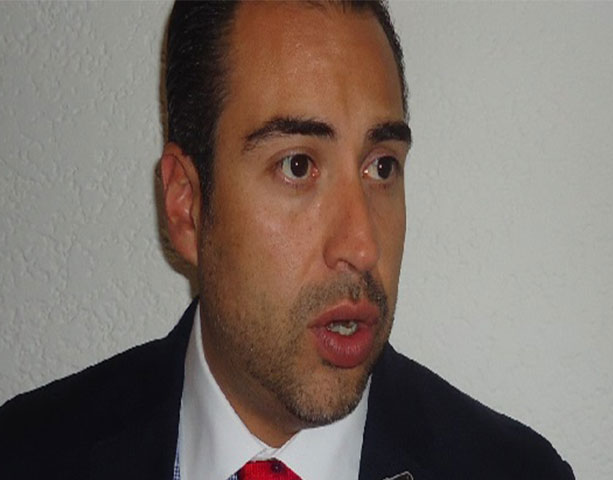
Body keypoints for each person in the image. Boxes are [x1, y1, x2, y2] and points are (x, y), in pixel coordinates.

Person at [0, 1, 574, 479]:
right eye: (298, 166)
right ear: (187, 206)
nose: (362, 246)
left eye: (381, 167)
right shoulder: (26, 455)